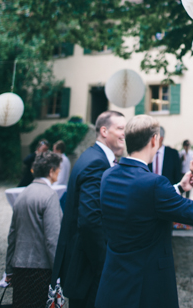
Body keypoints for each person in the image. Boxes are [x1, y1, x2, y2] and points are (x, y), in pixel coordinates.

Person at [96, 114, 193, 308]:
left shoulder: (108, 176)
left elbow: (139, 202)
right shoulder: (155, 184)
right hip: (146, 285)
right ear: (154, 140)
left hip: (114, 279)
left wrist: (179, 188)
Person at [51, 110, 126, 308]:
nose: (124, 134)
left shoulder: (93, 156)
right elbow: (90, 221)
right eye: (120, 128)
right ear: (103, 130)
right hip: (89, 269)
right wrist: (105, 265)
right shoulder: (96, 163)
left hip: (85, 265)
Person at [5, 151, 63, 308]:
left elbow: (12, 236)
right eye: (58, 168)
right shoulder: (49, 196)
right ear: (51, 171)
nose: (59, 172)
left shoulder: (22, 195)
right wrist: (58, 271)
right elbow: (53, 239)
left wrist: (9, 269)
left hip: (19, 268)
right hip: (41, 269)